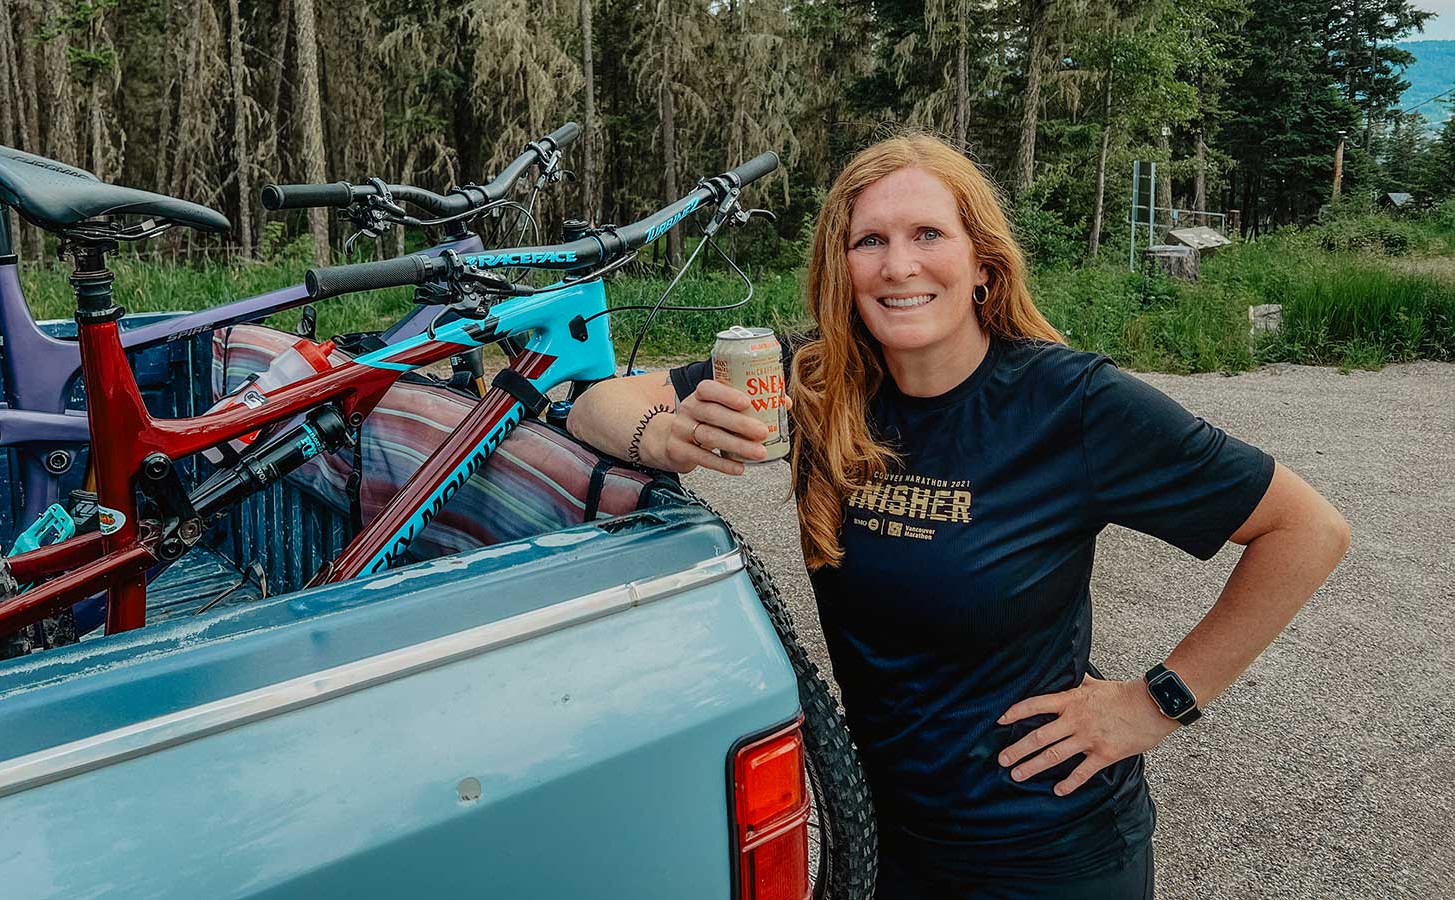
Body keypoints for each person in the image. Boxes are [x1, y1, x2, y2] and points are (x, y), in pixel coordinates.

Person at [566, 132, 1350, 899]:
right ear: (841, 268)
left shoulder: (1070, 404)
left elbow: (1307, 531)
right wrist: (662, 433)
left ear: (982, 262)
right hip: (884, 843)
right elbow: (591, 405)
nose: (898, 264)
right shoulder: (815, 381)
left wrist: (1156, 703)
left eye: (927, 233)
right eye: (869, 239)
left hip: (1049, 855)